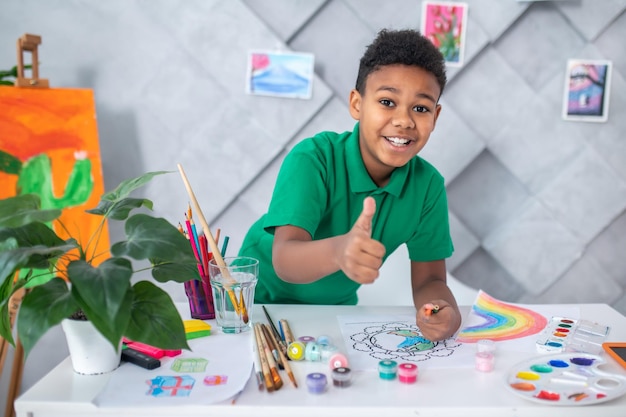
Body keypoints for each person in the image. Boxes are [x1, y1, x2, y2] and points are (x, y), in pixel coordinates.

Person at [239, 28, 461, 341]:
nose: (404, 121)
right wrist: (339, 250)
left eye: (421, 108)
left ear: (435, 117)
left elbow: (430, 279)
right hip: (258, 304)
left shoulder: (428, 186)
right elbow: (285, 259)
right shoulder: (313, 158)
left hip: (336, 310)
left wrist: (443, 311)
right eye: (387, 101)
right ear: (357, 104)